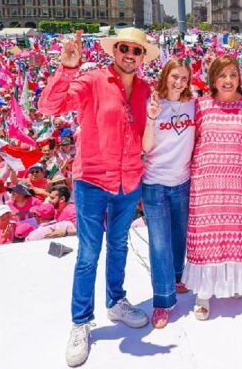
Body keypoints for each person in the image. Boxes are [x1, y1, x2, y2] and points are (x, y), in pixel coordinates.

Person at [38, 27, 159, 368]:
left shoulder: (147, 90)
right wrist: (67, 68)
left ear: (142, 56)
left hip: (128, 179)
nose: (130, 56)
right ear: (114, 50)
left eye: (137, 51)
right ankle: (81, 323)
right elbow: (49, 106)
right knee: (89, 253)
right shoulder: (91, 80)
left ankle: (116, 301)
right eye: (125, 48)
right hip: (92, 180)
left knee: (119, 245)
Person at [183, 55, 242, 321]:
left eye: (233, 75)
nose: (228, 80)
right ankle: (203, 293)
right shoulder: (199, 106)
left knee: (237, 236)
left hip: (241, 187)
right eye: (222, 75)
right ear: (213, 79)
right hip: (206, 187)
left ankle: (234, 282)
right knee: (205, 239)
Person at [141, 57, 195, 329]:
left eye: (184, 78)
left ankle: (176, 277)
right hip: (154, 184)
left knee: (178, 236)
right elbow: (146, 147)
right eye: (175, 76)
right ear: (165, 76)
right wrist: (151, 118)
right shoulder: (151, 104)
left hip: (183, 181)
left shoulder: (192, 104)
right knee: (160, 244)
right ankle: (163, 301)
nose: (179, 82)